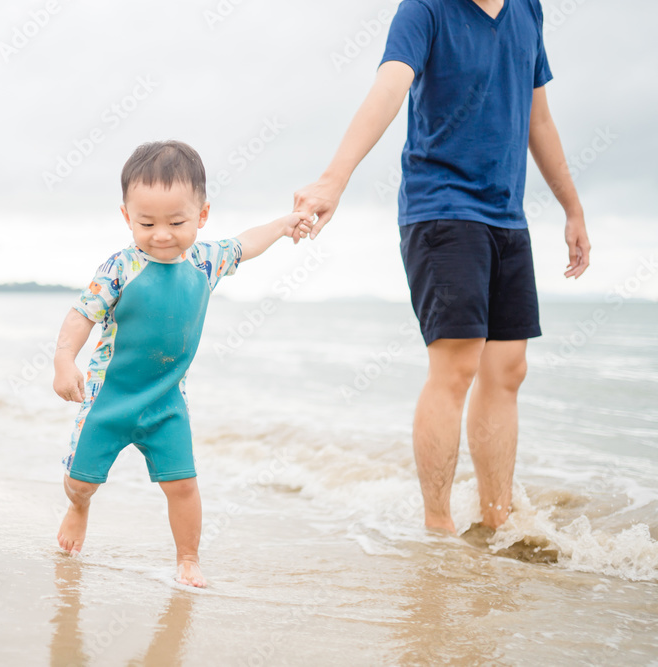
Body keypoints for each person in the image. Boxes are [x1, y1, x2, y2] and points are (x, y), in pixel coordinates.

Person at [293, 0, 591, 533]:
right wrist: (334, 178)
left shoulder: (528, 10)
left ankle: (497, 523)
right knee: (456, 368)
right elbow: (389, 88)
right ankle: (439, 529)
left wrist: (572, 207)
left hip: (507, 216)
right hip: (442, 210)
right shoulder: (424, 10)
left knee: (508, 371)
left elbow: (537, 116)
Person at [52, 140, 311, 587]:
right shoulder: (120, 267)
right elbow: (82, 314)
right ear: (127, 217)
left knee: (183, 485)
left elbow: (247, 243)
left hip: (166, 403)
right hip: (108, 400)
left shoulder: (205, 260)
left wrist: (284, 225)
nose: (162, 234)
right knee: (79, 481)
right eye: (146, 222)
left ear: (202, 216)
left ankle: (188, 558)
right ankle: (79, 508)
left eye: (177, 221)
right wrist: (63, 360)